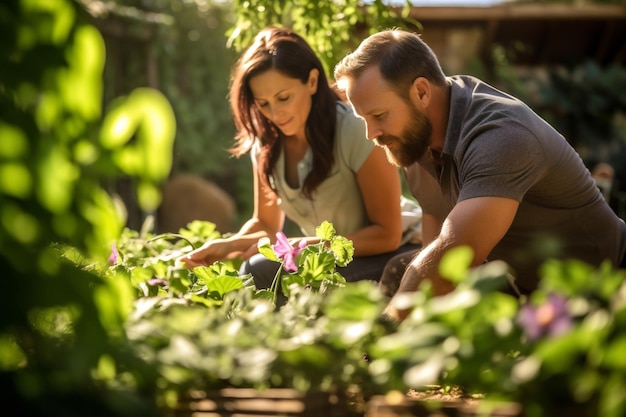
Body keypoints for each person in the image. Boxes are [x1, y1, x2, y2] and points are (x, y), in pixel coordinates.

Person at [333, 29, 626, 321]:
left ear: (421, 92)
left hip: (605, 291)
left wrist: (380, 338)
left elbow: (453, 257)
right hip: (530, 296)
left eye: (380, 116)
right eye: (364, 120)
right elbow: (432, 252)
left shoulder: (501, 134)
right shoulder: (415, 144)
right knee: (402, 272)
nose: (371, 134)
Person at [178, 27, 419, 294]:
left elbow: (386, 234)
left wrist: (299, 246)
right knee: (258, 270)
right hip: (327, 257)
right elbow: (267, 225)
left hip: (398, 251)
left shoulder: (354, 129)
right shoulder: (267, 144)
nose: (275, 113)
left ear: (312, 82)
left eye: (284, 98)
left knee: (263, 271)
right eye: (263, 103)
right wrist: (229, 245)